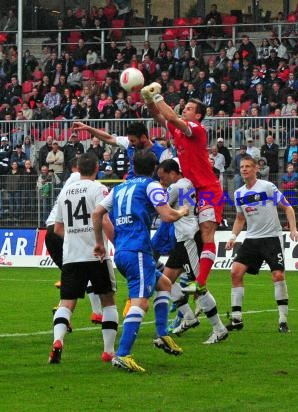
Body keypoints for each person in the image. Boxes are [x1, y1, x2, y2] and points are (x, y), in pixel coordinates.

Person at [92, 151, 189, 373]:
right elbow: (168, 216)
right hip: (138, 252)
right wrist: (182, 210)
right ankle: (123, 354)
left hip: (123, 251)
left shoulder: (119, 188)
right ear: (154, 167)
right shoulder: (151, 185)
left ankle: (162, 334)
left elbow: (97, 213)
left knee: (164, 284)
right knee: (141, 302)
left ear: (132, 166)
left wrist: (100, 243)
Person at [141, 83, 223, 294]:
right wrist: (149, 101)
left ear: (198, 116)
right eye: (184, 107)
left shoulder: (197, 129)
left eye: (188, 108)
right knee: (192, 235)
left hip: (208, 188)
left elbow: (170, 117)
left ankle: (201, 281)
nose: (184, 109)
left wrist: (157, 96)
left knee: (206, 232)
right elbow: (159, 117)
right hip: (192, 189)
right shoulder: (179, 131)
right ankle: (192, 280)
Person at [49, 153, 118, 364]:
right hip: (96, 255)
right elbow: (104, 219)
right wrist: (116, 240)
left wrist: (74, 236)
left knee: (67, 302)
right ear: (97, 168)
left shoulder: (65, 192)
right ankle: (108, 351)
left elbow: (58, 228)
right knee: (108, 301)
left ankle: (58, 341)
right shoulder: (99, 189)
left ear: (77, 168)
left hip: (72, 256)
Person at [156, 159, 229, 344]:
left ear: (173, 173)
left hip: (189, 239)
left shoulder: (174, 188)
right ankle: (188, 317)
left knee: (199, 286)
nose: (162, 181)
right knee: (165, 281)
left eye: (163, 177)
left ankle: (219, 329)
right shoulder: (189, 182)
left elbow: (162, 213)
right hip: (183, 239)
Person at [225, 155, 298, 333]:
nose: (244, 169)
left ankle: (283, 320)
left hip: (271, 238)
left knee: (278, 276)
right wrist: (232, 236)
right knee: (235, 272)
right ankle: (236, 319)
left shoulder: (267, 187)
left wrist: (293, 229)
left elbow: (288, 207)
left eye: (247, 166)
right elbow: (240, 218)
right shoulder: (239, 193)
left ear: (255, 169)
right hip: (252, 239)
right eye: (242, 167)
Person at [73, 121, 165, 180]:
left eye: (133, 140)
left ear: (143, 138)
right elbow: (108, 138)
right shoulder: (129, 143)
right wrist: (88, 128)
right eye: (129, 140)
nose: (130, 143)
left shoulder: (162, 153)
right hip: (130, 186)